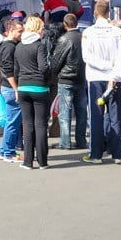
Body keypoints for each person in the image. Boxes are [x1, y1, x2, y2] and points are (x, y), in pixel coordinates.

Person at [82, 1, 121, 164]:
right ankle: (118, 154)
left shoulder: (88, 32)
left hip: (95, 77)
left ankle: (96, 154)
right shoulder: (117, 31)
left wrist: (105, 68)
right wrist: (114, 73)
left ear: (95, 12)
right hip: (113, 78)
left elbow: (87, 57)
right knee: (116, 116)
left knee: (96, 116)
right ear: (109, 13)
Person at [14, 16, 50, 170]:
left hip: (23, 87)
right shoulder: (39, 46)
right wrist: (48, 77)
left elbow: (15, 70)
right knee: (40, 124)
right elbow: (43, 67)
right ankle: (42, 161)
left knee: (27, 125)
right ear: (37, 29)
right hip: (39, 87)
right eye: (42, 28)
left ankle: (27, 161)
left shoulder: (19, 46)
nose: (43, 31)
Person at [50, 13, 86, 150]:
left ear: (65, 25)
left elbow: (56, 61)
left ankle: (65, 142)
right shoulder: (84, 37)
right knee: (82, 112)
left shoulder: (64, 39)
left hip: (66, 79)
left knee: (65, 113)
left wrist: (54, 73)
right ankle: (81, 140)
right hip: (81, 78)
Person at [0, 19, 23, 162]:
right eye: (19, 31)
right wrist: (16, 89)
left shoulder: (6, 45)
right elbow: (7, 70)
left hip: (8, 87)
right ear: (11, 30)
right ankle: (8, 153)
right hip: (11, 88)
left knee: (11, 121)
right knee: (13, 122)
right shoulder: (9, 47)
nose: (21, 34)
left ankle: (3, 150)